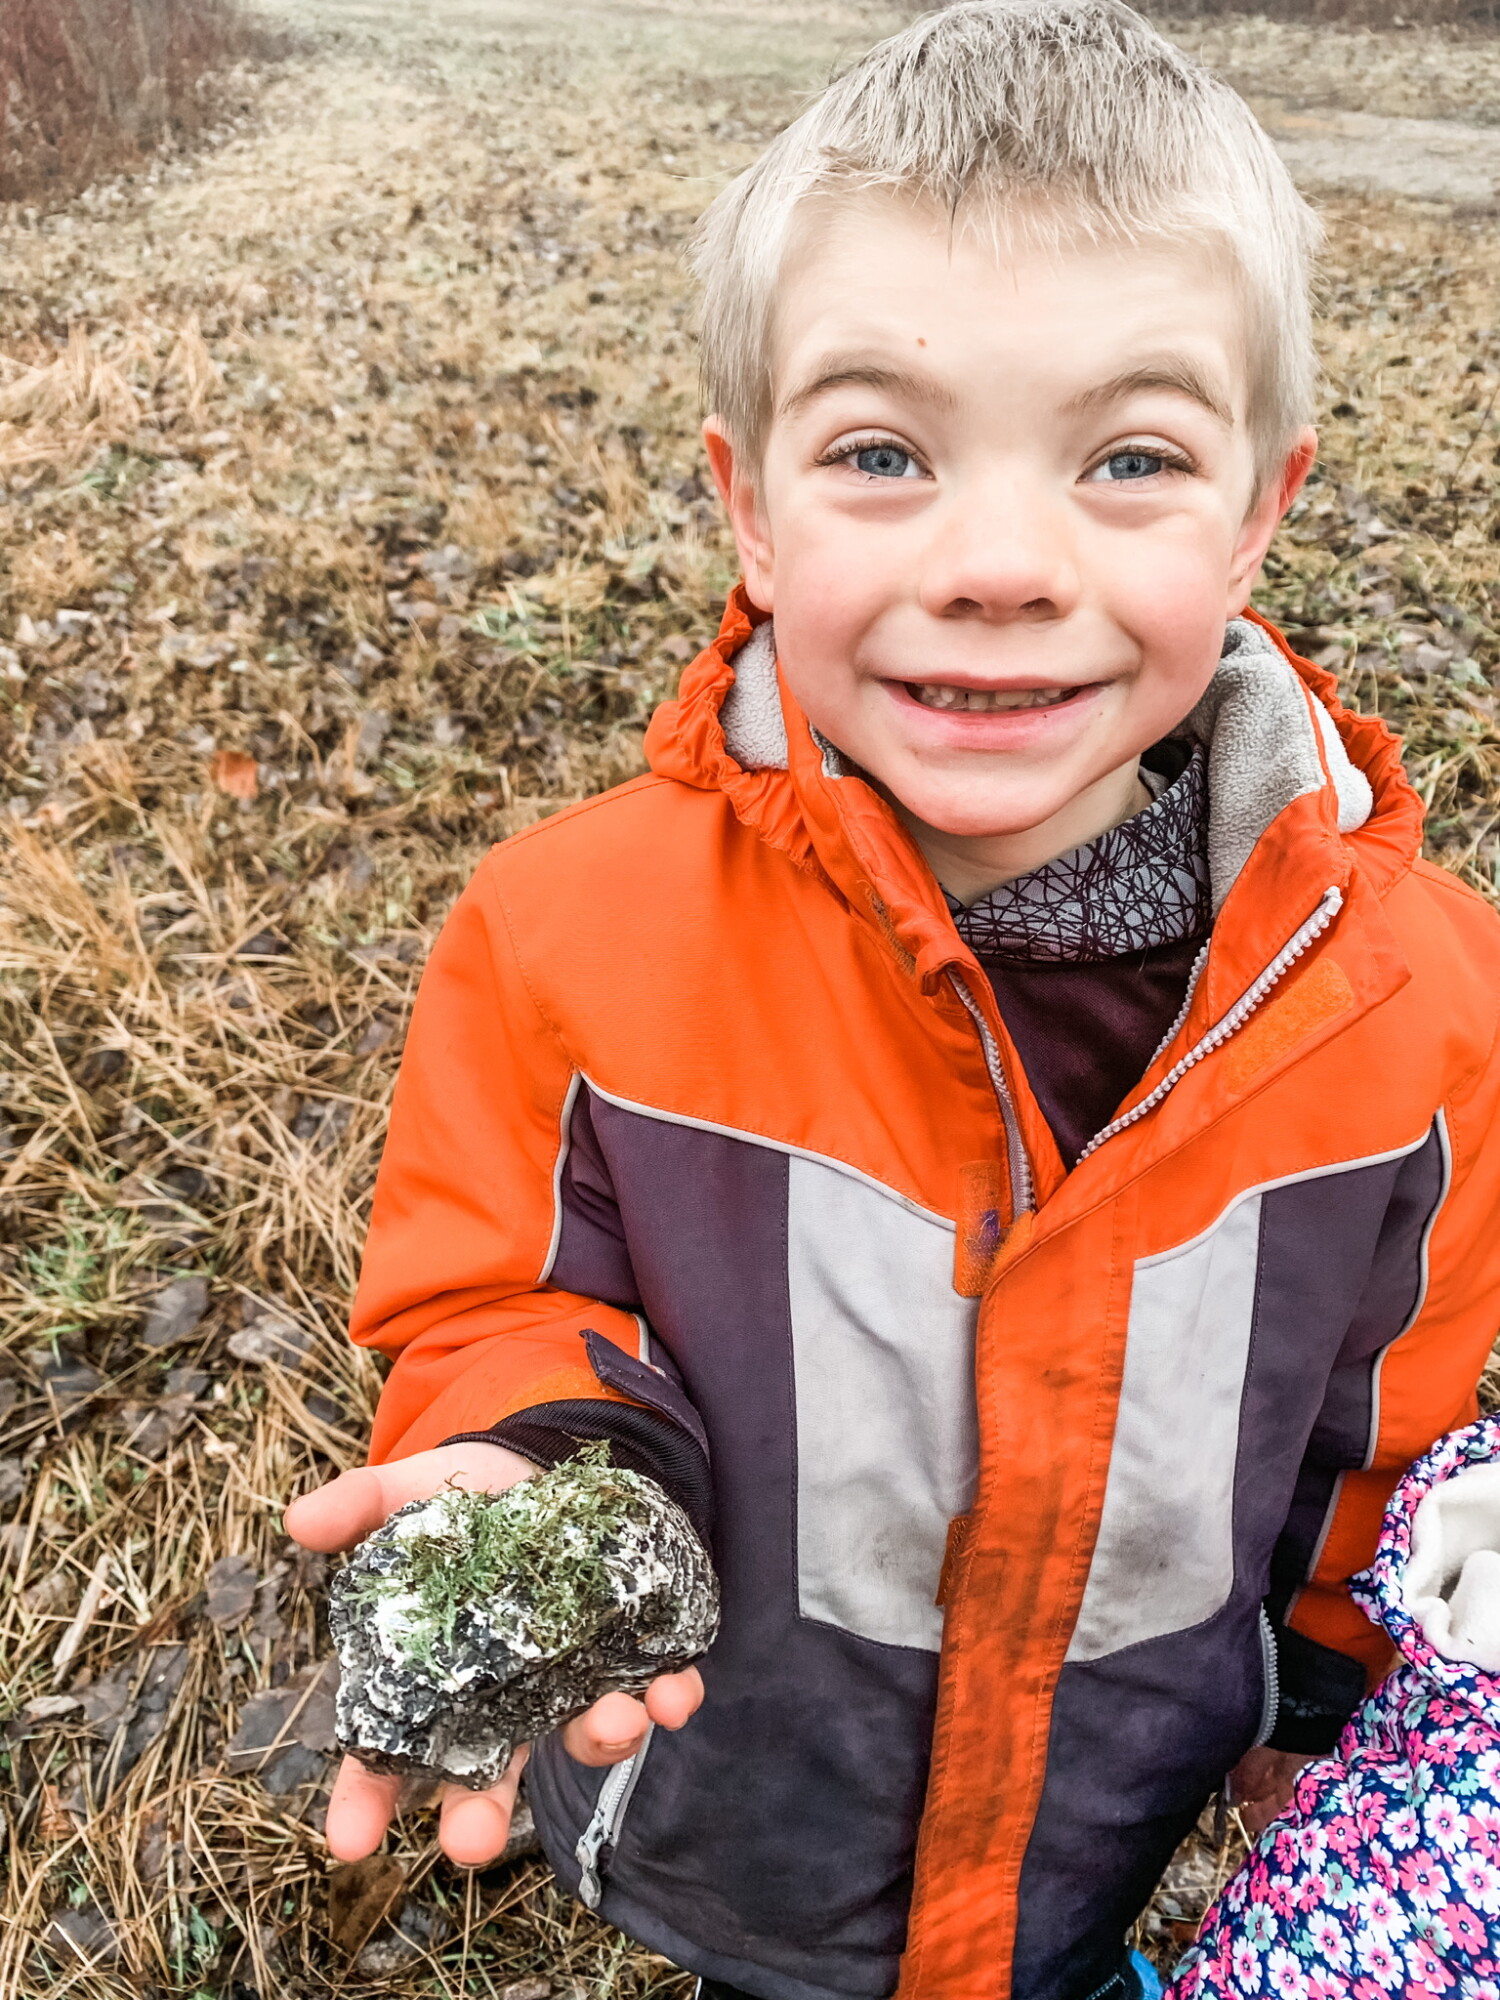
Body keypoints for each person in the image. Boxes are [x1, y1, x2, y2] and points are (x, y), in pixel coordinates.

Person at [283, 5, 1500, 1997]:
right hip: (740, 1815)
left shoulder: (1428, 1009)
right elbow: (490, 1294)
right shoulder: (562, 938)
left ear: (1261, 508)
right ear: (748, 506)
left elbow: (1385, 1424)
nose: (1001, 561)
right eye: (879, 454)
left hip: (1099, 1824)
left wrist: (1321, 1702)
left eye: (1129, 455)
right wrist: (537, 1479)